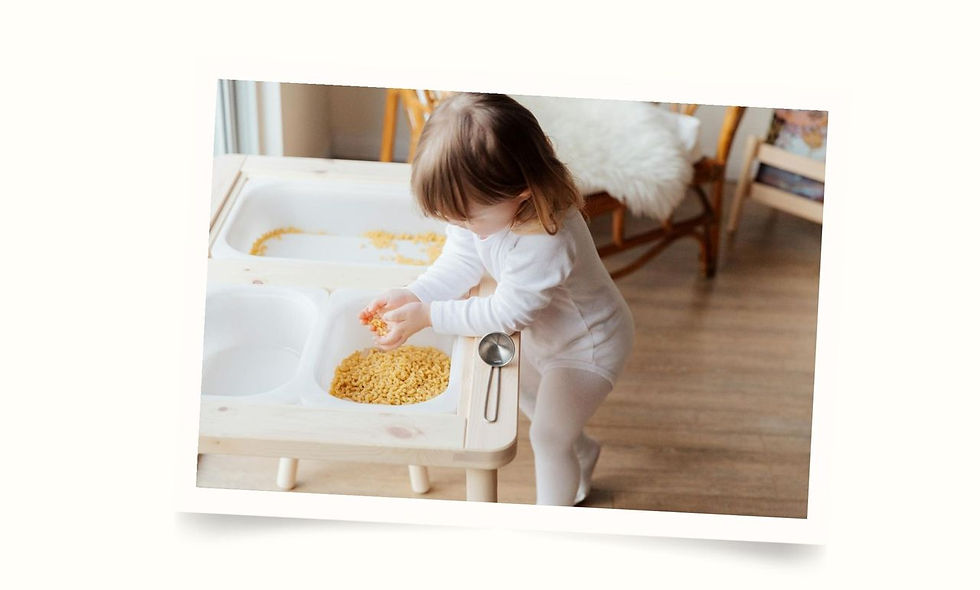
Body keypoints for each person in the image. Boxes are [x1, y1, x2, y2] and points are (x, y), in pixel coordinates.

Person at [358, 93, 634, 506]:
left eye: (468, 218)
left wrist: (429, 315)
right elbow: (461, 261)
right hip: (542, 335)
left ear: (521, 191)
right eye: (452, 218)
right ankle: (582, 449)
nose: (462, 226)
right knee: (531, 403)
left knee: (548, 436)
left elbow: (506, 313)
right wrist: (416, 293)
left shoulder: (547, 238)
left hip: (588, 346)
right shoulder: (482, 211)